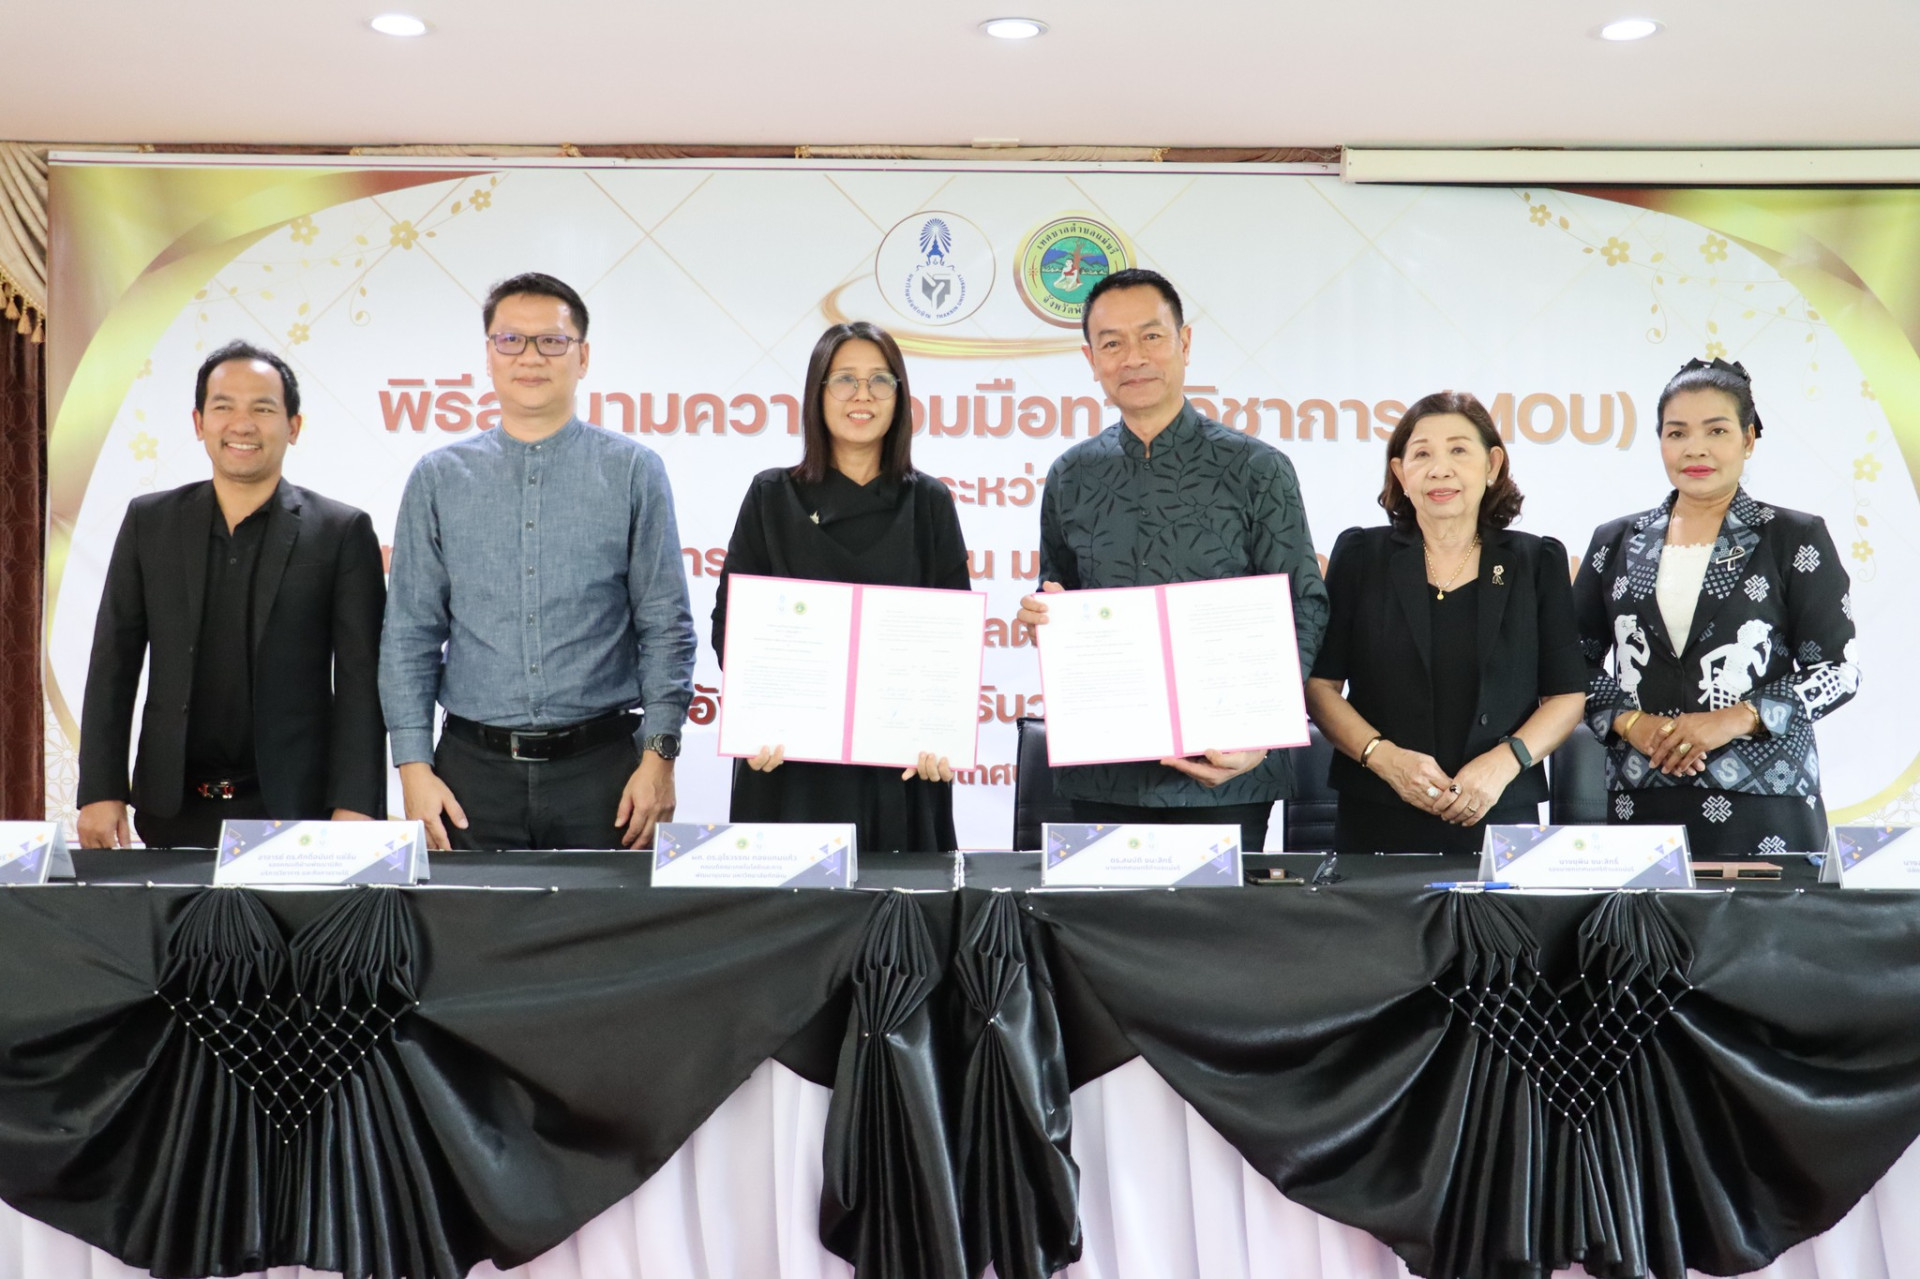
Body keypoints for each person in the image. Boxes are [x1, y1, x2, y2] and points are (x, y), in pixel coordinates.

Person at [380, 272, 696, 851]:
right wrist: (413, 767)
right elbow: (409, 634)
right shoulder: (439, 478)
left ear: (583, 357)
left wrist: (660, 758)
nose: (530, 357)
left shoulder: (633, 471)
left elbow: (666, 626)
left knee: (607, 915)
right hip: (469, 778)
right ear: (489, 355)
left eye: (551, 341)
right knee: (462, 915)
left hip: (605, 776)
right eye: (510, 340)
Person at [1016, 268, 1328, 852]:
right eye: (1112, 343)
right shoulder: (1071, 476)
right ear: (1091, 359)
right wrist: (1043, 618)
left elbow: (1304, 605)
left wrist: (1261, 734)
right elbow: (1058, 595)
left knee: (1216, 915)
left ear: (1184, 343)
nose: (1133, 357)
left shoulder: (1257, 469)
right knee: (1100, 913)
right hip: (1104, 769)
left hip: (1228, 770)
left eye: (1151, 336)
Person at [77, 342, 386, 849]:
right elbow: (114, 661)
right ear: (199, 423)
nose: (242, 425)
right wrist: (100, 789)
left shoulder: (340, 531)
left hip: (295, 810)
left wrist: (356, 802)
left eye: (262, 409)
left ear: (293, 426)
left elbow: (360, 679)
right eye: (224, 407)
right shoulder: (149, 523)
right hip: (172, 807)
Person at [1574, 358, 1859, 858]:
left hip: (1766, 798)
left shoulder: (1793, 536)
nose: (1695, 448)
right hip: (1643, 795)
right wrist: (1630, 723)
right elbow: (1569, 661)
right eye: (1677, 433)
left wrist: (1735, 718)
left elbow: (1838, 670)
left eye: (1717, 430)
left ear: (1748, 440)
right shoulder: (1614, 541)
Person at [711, 322, 969, 851]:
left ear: (899, 396)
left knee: (903, 903)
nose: (862, 395)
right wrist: (757, 716)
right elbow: (730, 630)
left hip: (900, 770)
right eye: (845, 379)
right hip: (789, 767)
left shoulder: (929, 503)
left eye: (880, 380)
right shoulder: (771, 496)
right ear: (817, 393)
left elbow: (951, 648)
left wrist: (940, 732)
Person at [1304, 391, 1586, 854]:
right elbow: (1320, 686)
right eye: (1422, 454)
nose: (1440, 469)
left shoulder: (1536, 561)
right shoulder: (1361, 556)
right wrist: (1385, 759)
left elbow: (1567, 695)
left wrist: (1505, 762)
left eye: (1458, 450)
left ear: (1492, 465)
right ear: (1401, 473)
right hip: (1378, 809)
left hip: (1499, 808)